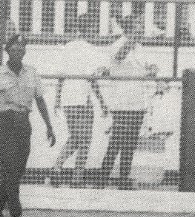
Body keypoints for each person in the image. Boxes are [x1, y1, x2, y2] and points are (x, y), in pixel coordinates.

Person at [0, 34, 56, 217]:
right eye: (14, 49)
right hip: (5, 122)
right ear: (7, 51)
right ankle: (16, 214)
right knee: (9, 168)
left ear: (25, 51)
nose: (18, 52)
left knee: (18, 169)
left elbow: (40, 100)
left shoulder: (31, 73)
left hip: (23, 123)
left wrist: (49, 125)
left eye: (21, 48)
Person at [95, 15, 158, 190]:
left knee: (130, 143)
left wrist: (153, 68)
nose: (140, 29)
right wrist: (131, 39)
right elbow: (120, 56)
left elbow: (150, 66)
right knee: (116, 141)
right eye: (137, 25)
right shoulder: (117, 44)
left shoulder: (141, 48)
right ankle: (102, 178)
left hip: (138, 102)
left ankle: (124, 178)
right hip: (121, 103)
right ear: (128, 28)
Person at [49, 13, 108, 188]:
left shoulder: (68, 47)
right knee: (85, 139)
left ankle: (57, 167)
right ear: (88, 28)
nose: (94, 32)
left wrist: (58, 99)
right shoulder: (91, 49)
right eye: (93, 28)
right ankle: (76, 178)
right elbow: (92, 79)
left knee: (76, 137)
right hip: (83, 97)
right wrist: (102, 102)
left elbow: (60, 76)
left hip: (68, 97)